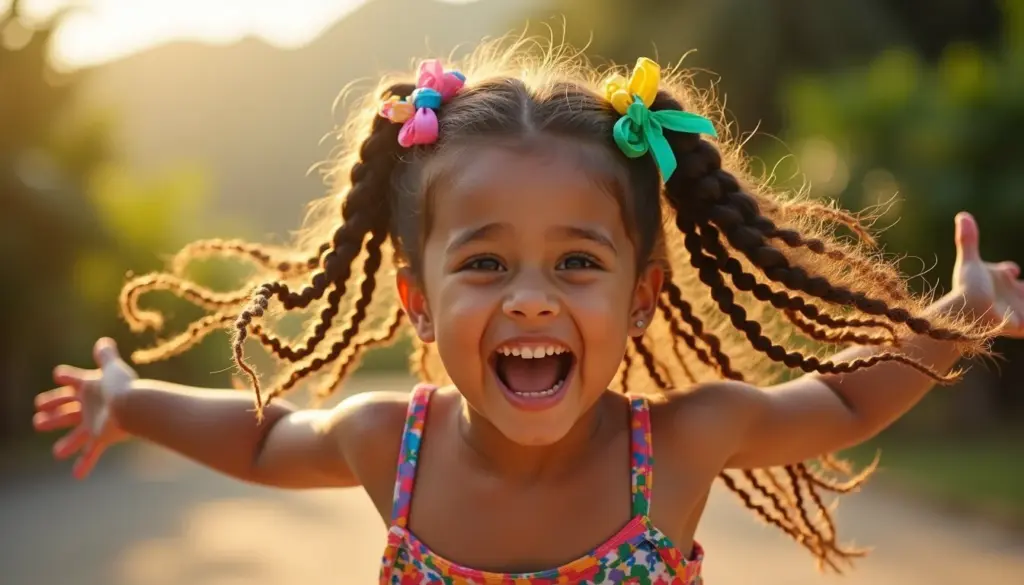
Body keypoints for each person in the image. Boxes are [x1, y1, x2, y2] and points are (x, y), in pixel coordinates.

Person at [33, 42, 1023, 584]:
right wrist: (130, 399)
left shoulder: (676, 446)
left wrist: (957, 315)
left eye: (578, 261)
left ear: (641, 298)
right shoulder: (394, 448)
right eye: (487, 262)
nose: (532, 297)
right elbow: (260, 444)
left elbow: (843, 407)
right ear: (418, 301)